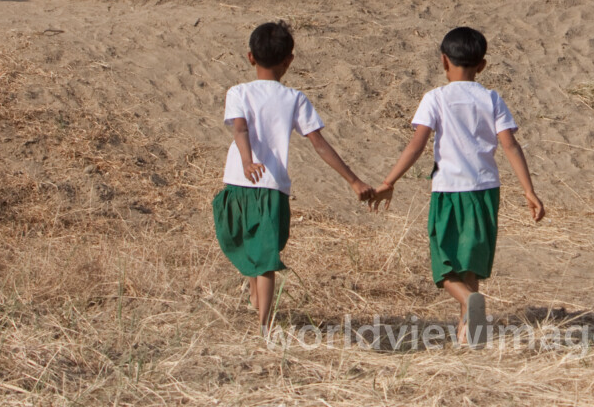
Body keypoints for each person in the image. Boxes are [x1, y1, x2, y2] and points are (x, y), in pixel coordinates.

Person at [371, 26, 544, 347]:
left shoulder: (435, 98)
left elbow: (416, 145)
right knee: (471, 266)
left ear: (443, 61)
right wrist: (529, 191)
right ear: (482, 65)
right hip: (485, 192)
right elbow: (510, 146)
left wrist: (388, 181)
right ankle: (469, 338)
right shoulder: (491, 98)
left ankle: (467, 303)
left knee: (446, 266)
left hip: (449, 192)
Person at [212, 20, 375, 335]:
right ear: (289, 61)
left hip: (237, 181)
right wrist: (353, 180)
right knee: (266, 256)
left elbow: (240, 129)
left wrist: (246, 162)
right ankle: (263, 320)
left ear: (249, 57)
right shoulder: (295, 98)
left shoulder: (238, 92)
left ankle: (261, 317)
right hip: (271, 188)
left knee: (252, 248)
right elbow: (319, 144)